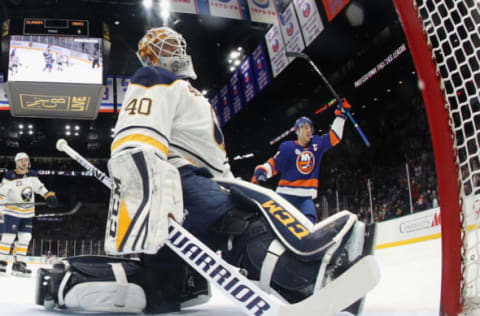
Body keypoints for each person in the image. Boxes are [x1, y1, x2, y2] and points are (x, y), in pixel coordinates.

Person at [35, 27, 375, 314]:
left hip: (192, 186)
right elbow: (135, 138)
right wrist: (147, 191)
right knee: (238, 221)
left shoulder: (184, 89)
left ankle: (68, 279)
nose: (177, 50)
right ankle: (306, 276)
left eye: (177, 44)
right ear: (151, 56)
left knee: (162, 289)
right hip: (179, 184)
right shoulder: (156, 78)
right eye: (166, 46)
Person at [251, 107, 350, 224]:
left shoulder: (317, 144)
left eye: (310, 128)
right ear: (298, 131)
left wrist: (341, 116)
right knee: (274, 222)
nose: (309, 131)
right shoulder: (287, 148)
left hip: (305, 197)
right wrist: (262, 171)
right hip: (285, 195)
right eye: (305, 128)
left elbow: (335, 136)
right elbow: (274, 164)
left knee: (310, 221)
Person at [0, 152, 58, 276]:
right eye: (21, 160)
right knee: (8, 237)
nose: (24, 162)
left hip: (27, 213)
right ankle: (1, 262)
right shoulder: (10, 176)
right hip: (11, 212)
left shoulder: (32, 175)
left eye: (26, 160)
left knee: (25, 238)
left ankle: (19, 265)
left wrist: (48, 195)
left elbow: (40, 187)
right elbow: (2, 194)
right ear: (16, 162)